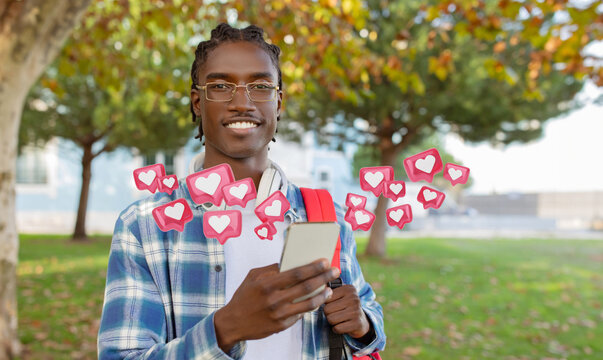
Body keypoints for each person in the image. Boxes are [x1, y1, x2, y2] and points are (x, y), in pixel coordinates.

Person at [98, 23, 386, 359]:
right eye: (220, 85)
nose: (241, 102)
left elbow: (366, 313)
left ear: (278, 103)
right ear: (197, 102)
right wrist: (226, 328)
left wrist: (362, 323)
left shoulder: (325, 215)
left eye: (261, 86)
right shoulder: (145, 226)